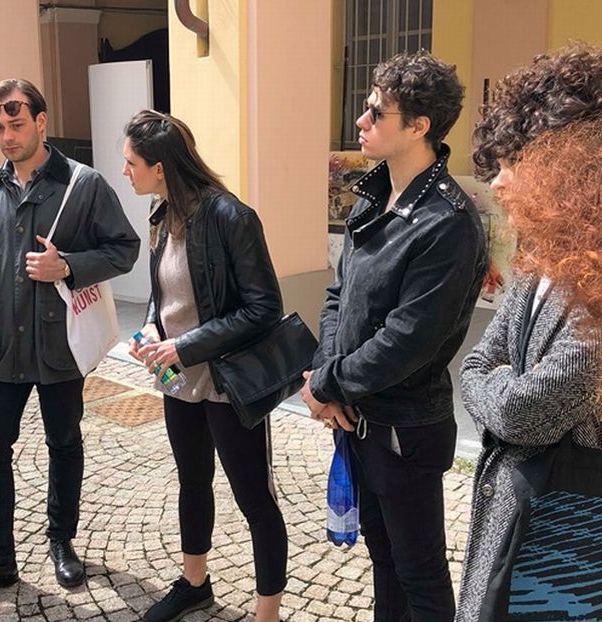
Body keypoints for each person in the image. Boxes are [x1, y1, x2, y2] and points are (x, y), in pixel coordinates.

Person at [301, 51, 487, 621]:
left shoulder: (448, 222)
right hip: (357, 416)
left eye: (376, 112)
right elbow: (340, 295)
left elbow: (408, 339)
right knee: (382, 559)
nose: (361, 120)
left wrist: (328, 383)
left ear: (418, 127)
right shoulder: (373, 193)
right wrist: (329, 377)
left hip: (406, 427)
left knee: (420, 572)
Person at [0, 78, 140, 609]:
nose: (7, 136)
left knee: (64, 444)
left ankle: (61, 540)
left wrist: (70, 266)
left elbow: (124, 248)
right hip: (0, 348)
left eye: (16, 124)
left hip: (60, 349)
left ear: (41, 122)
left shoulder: (83, 185)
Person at [456, 45, 602, 622]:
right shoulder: (543, 258)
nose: (500, 180)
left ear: (569, 166)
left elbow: (524, 413)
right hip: (519, 514)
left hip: (569, 541)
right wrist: (492, 381)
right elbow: (475, 360)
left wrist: (490, 384)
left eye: (515, 159)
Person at [123, 110, 288, 622]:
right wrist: (153, 329)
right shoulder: (161, 215)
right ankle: (194, 583)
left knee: (254, 499)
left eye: (131, 162)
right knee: (192, 483)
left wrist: (186, 345)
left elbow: (264, 308)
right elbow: (165, 296)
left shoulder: (230, 217)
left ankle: (267, 613)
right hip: (179, 384)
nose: (124, 171)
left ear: (160, 167)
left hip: (227, 384)